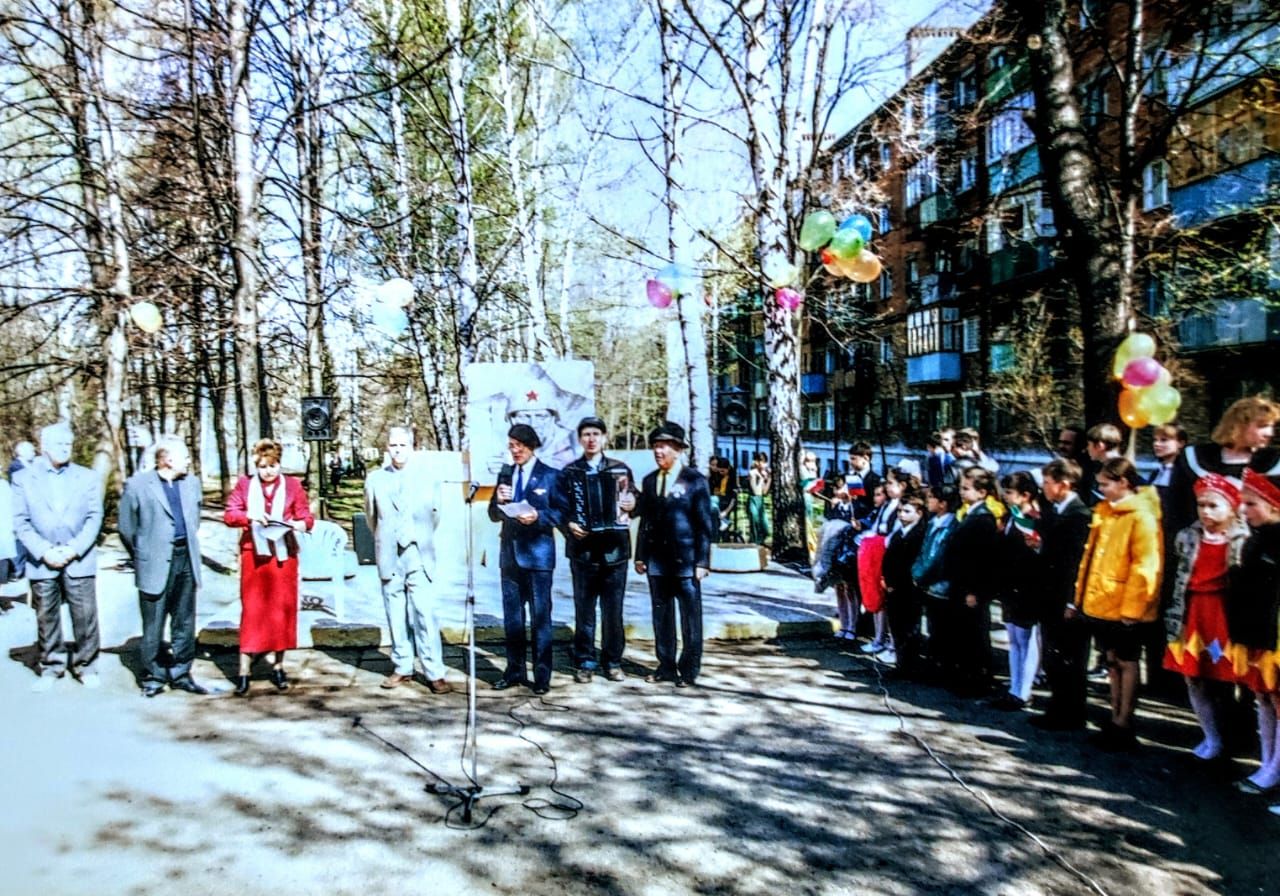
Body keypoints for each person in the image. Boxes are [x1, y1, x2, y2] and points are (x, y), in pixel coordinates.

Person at [1074, 457, 1163, 751]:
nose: (1100, 490)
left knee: (1126, 661)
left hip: (1125, 608)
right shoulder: (1108, 511)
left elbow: (1145, 566)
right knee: (1112, 662)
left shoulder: (1142, 517)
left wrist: (1133, 610)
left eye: (1105, 484)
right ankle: (1114, 718)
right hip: (1103, 602)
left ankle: (1125, 721)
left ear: (1123, 482)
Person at [1161, 473, 1249, 760]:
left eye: (1214, 505)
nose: (1206, 512)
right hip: (1193, 614)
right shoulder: (1188, 537)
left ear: (1233, 507)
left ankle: (1234, 739)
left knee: (1229, 679)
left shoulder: (1243, 541)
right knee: (1194, 677)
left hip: (1224, 617)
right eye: (1202, 505)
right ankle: (1210, 736)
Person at [12, 423, 103, 691]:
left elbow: (94, 517)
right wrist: (44, 551)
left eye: (69, 444)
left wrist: (74, 549)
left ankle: (87, 665)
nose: (65, 449)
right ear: (44, 447)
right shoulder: (24, 479)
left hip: (78, 556)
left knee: (85, 615)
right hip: (43, 559)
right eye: (59, 444)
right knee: (46, 614)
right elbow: (20, 522)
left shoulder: (87, 477)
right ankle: (52, 665)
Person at [117, 436, 207, 697]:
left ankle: (181, 673)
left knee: (185, 621)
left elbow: (194, 520)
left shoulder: (191, 484)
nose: (189, 460)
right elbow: (126, 528)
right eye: (185, 456)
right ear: (167, 459)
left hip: (186, 558)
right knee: (153, 623)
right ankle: (153, 676)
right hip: (154, 562)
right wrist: (143, 553)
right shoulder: (137, 486)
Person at [224, 438, 315, 696]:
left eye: (273, 465)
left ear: (279, 464)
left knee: (281, 611)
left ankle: (278, 666)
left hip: (283, 557)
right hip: (255, 556)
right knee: (252, 611)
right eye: (263, 466)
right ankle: (244, 670)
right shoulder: (244, 485)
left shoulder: (293, 485)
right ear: (256, 466)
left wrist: (301, 524)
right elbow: (230, 514)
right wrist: (249, 516)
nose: (269, 471)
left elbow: (306, 516)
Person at [363, 426, 451, 694]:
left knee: (424, 612)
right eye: (394, 446)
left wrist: (416, 537)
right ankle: (402, 666)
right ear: (387, 448)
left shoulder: (427, 478)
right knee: (395, 612)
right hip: (389, 553)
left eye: (403, 445)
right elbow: (371, 517)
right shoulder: (375, 479)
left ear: (412, 447)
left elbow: (435, 514)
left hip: (418, 552)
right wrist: (386, 538)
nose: (398, 450)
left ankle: (434, 671)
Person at [553, 416, 637, 683]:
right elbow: (558, 508)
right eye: (586, 434)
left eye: (596, 434)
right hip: (583, 551)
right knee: (585, 610)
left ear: (604, 438)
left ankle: (613, 661)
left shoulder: (620, 470)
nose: (591, 439)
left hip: (615, 551)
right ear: (580, 439)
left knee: (614, 611)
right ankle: (585, 661)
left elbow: (634, 501)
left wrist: (631, 502)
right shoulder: (570, 472)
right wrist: (569, 525)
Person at [634, 421, 715, 688]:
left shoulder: (695, 481)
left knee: (691, 619)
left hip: (686, 563)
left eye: (664, 446)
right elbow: (645, 523)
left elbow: (704, 525)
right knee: (662, 617)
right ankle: (666, 665)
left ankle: (688, 669)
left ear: (678, 450)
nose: (659, 451)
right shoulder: (649, 481)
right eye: (656, 446)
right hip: (657, 563)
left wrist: (703, 561)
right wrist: (640, 556)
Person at [488, 423, 561, 694]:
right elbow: (493, 514)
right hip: (509, 557)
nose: (515, 451)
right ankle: (514, 671)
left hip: (539, 558)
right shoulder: (505, 474)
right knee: (513, 620)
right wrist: (497, 501)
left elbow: (561, 513)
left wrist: (538, 517)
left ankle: (542, 677)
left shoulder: (550, 476)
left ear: (531, 445)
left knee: (541, 619)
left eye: (519, 446)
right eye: (511, 446)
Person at [1227, 469, 1280, 799]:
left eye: (1251, 504)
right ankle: (1268, 764)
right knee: (1264, 697)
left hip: (1275, 635)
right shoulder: (1256, 537)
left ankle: (1275, 768)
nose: (1243, 510)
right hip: (1257, 633)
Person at [1031, 458, 1094, 732]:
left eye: (1047, 483)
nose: (1044, 488)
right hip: (1049, 594)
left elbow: (1075, 562)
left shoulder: (1080, 515)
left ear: (1064, 484)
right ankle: (1058, 707)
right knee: (1054, 656)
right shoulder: (1057, 511)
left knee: (1069, 656)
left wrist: (1072, 600)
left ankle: (1070, 712)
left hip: (1064, 599)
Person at [1166, 396, 1280, 538]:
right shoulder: (1193, 458)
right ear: (1240, 425)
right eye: (1262, 426)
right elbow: (1175, 511)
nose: (1270, 433)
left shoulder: (1273, 464)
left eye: (1271, 427)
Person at [944, 467, 1004, 697]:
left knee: (975, 634)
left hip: (972, 588)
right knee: (964, 633)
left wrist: (974, 590)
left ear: (981, 492)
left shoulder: (984, 519)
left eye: (966, 489)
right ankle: (966, 676)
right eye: (961, 487)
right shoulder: (971, 513)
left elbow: (982, 560)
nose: (961, 492)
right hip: (960, 584)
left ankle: (978, 680)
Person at [993, 471, 1044, 711]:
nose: (1006, 497)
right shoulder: (1012, 515)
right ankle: (1014, 687)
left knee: (1027, 639)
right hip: (1009, 584)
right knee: (1013, 639)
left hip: (1027, 586)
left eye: (1010, 493)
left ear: (1025, 495)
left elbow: (1036, 553)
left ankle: (1024, 690)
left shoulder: (1034, 518)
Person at [912, 484, 958, 679]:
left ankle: (942, 668)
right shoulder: (932, 523)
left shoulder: (951, 526)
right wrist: (917, 572)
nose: (928, 501)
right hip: (927, 584)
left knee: (943, 630)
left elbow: (940, 558)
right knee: (932, 627)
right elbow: (924, 551)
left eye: (932, 498)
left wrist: (924, 575)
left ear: (943, 504)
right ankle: (932, 665)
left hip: (942, 586)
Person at [882, 489, 927, 676]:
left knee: (910, 627)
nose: (901, 514)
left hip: (908, 587)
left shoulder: (919, 534)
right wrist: (886, 579)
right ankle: (901, 663)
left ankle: (910, 665)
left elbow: (910, 563)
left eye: (907, 511)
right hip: (893, 587)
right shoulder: (899, 533)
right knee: (896, 626)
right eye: (900, 511)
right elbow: (889, 558)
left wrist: (897, 581)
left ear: (919, 513)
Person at [1079, 423, 1123, 506]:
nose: (1087, 449)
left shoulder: (1118, 470)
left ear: (1100, 446)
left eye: (1089, 445)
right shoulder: (1102, 467)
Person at [747, 452, 771, 545]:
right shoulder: (752, 473)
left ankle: (760, 541)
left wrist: (768, 479)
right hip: (753, 499)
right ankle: (754, 543)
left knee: (765, 526)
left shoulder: (764, 474)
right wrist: (760, 477)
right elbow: (755, 490)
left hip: (760, 500)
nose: (762, 464)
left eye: (764, 462)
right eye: (760, 461)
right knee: (755, 521)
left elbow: (764, 492)